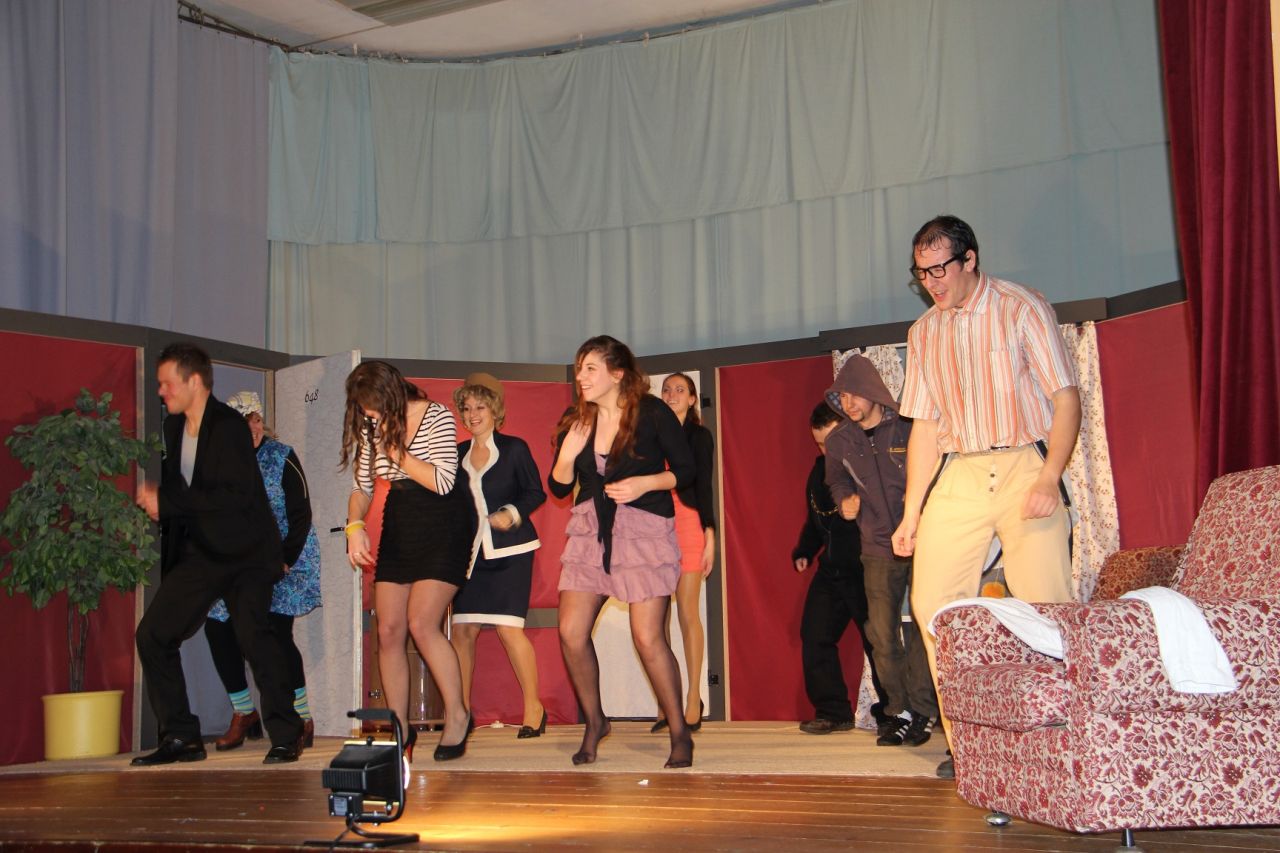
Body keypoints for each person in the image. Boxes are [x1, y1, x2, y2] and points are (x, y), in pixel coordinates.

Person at [891, 215, 1080, 779]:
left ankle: (1064, 732)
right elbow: (925, 428)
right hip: (961, 471)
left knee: (1045, 602)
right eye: (921, 272)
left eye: (940, 269)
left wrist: (1049, 476)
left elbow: (1066, 399)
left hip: (1025, 462)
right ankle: (969, 741)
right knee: (933, 605)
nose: (931, 282)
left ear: (969, 259)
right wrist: (910, 513)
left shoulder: (1022, 307)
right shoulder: (924, 332)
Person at [133, 343, 305, 766]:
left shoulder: (228, 426)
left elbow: (232, 494)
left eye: (167, 383)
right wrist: (166, 510)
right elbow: (184, 494)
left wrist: (166, 501)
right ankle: (181, 736)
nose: (161, 391)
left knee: (253, 636)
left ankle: (287, 734)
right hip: (203, 554)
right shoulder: (174, 427)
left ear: (194, 381)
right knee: (153, 634)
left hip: (246, 554)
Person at [549, 335, 696, 769]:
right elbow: (558, 486)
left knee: (647, 636)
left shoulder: (652, 412)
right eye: (579, 368)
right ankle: (596, 721)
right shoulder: (577, 419)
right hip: (591, 528)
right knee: (570, 631)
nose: (581, 377)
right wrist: (566, 456)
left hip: (643, 529)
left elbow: (687, 471)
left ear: (617, 373)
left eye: (590, 368)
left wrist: (645, 483)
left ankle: (679, 731)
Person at [341, 361, 473, 762]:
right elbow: (362, 486)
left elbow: (443, 481)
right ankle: (398, 730)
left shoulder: (435, 415)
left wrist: (396, 450)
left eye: (374, 406)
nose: (369, 414)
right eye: (363, 408)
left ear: (393, 393)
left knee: (421, 622)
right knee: (388, 629)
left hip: (445, 519)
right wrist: (354, 525)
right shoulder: (371, 424)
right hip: (401, 519)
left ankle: (458, 715)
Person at [824, 356, 939, 747]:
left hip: (923, 541)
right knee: (881, 633)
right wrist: (845, 501)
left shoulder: (909, 427)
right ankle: (898, 711)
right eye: (842, 396)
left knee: (923, 627)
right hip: (875, 545)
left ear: (872, 391)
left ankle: (923, 710)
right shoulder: (839, 441)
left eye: (854, 394)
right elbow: (836, 481)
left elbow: (935, 470)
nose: (849, 403)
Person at [202, 391, 322, 752]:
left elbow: (301, 514)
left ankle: (301, 716)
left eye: (256, 421)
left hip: (286, 557)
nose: (253, 429)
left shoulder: (281, 456)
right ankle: (244, 711)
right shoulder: (221, 462)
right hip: (242, 561)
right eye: (244, 424)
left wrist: (283, 559)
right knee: (217, 625)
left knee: (274, 630)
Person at [450, 373, 548, 739]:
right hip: (470, 555)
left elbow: (536, 492)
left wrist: (511, 512)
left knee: (509, 629)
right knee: (462, 631)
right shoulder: (456, 454)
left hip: (511, 552)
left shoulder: (515, 448)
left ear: (495, 410)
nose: (472, 414)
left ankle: (534, 708)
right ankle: (460, 713)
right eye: (466, 408)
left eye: (480, 406)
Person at [792, 402, 887, 735]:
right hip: (831, 570)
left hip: (865, 568)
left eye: (830, 442)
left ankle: (893, 713)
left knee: (878, 642)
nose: (826, 451)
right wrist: (805, 550)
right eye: (819, 444)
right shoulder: (818, 472)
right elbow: (815, 519)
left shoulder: (867, 467)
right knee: (814, 634)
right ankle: (833, 711)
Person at [650, 372, 716, 734]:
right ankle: (667, 702)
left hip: (688, 522)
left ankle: (693, 698)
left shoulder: (698, 436)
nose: (672, 394)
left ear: (692, 399)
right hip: (654, 526)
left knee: (687, 612)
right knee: (655, 619)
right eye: (666, 390)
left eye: (680, 390)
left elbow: (704, 485)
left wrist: (710, 533)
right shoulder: (652, 435)